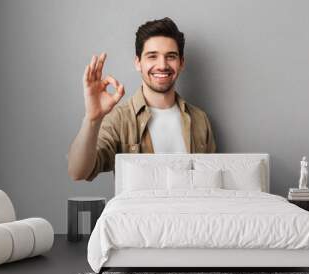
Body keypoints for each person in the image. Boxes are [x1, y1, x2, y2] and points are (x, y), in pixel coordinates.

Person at [68, 17, 216, 182]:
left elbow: (210, 185)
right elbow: (78, 172)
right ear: (138, 63)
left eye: (171, 56)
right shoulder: (120, 119)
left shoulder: (200, 120)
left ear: (181, 63)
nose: (162, 65)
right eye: (152, 56)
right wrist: (92, 119)